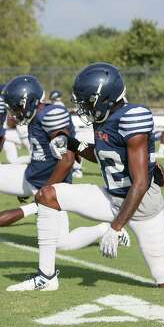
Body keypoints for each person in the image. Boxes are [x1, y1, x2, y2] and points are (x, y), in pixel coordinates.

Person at [6, 63, 164, 291]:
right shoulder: (104, 118)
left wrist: (116, 227)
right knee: (48, 195)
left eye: (88, 102)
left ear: (106, 98)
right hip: (111, 196)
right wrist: (71, 143)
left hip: (141, 206)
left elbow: (140, 183)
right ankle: (46, 277)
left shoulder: (132, 118)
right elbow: (104, 155)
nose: (84, 108)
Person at [0, 75, 121, 259]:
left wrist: (45, 193)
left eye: (17, 107)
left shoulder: (51, 114)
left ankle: (104, 228)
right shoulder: (34, 115)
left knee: (61, 243)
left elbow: (67, 158)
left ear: (30, 101)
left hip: (53, 185)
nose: (14, 113)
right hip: (31, 175)